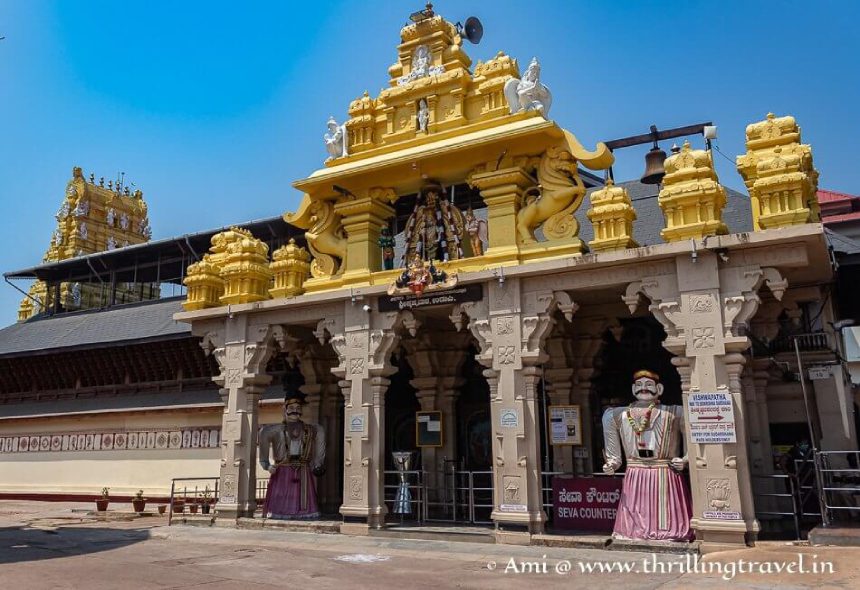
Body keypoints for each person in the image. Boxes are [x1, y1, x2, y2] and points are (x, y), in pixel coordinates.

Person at [602, 369, 693, 540]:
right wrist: (612, 464)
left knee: (665, 509)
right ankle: (632, 531)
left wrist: (685, 459)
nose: (643, 388)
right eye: (639, 385)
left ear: (659, 388)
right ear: (632, 389)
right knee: (636, 511)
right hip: (635, 472)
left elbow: (692, 441)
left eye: (649, 384)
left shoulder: (676, 412)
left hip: (664, 471)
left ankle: (668, 532)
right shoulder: (616, 415)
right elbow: (614, 455)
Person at [259, 391, 326, 519]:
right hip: (282, 469)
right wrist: (266, 466)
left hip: (303, 469)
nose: (295, 411)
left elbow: (321, 434)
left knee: (303, 500)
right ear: (284, 409)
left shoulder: (312, 429)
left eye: (298, 408)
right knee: (281, 499)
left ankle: (303, 514)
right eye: (291, 408)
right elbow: (263, 446)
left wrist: (318, 463)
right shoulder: (272, 430)